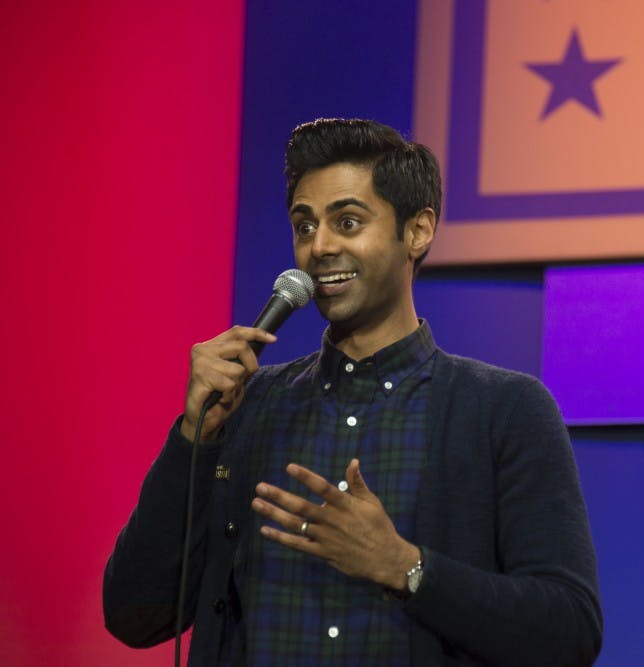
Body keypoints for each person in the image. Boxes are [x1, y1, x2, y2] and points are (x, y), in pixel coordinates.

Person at [103, 118, 602, 666]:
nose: (319, 247)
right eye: (304, 226)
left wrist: (404, 568)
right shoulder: (248, 409)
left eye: (347, 221)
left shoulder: (504, 410)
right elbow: (133, 614)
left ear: (417, 231)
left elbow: (568, 630)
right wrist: (195, 441)